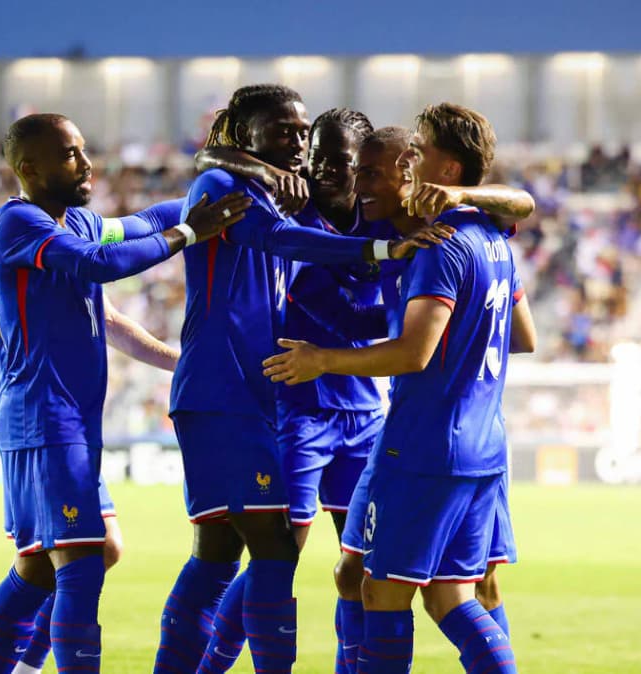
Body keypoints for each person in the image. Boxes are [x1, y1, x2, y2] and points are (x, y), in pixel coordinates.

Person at [155, 84, 444, 674]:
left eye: (344, 162)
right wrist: (384, 255)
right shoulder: (292, 209)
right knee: (273, 550)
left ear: (367, 167)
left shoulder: (387, 217)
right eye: (318, 157)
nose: (326, 170)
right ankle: (211, 664)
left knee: (359, 562)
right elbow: (215, 165)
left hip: (365, 412)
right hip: (296, 404)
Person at [0, 112, 240, 674]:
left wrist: (224, 194)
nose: (87, 163)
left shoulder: (83, 223)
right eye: (70, 154)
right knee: (80, 562)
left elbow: (141, 223)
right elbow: (102, 265)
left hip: (70, 420)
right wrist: (190, 232)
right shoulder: (17, 224)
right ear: (30, 168)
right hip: (41, 417)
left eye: (83, 149)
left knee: (54, 563)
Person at [262, 103, 529, 673]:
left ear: (443, 171)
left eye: (415, 155)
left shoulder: (440, 245)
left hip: (424, 444)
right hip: (477, 443)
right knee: (393, 582)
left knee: (391, 593)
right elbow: (522, 335)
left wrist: (321, 361)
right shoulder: (492, 238)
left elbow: (413, 353)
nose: (365, 183)